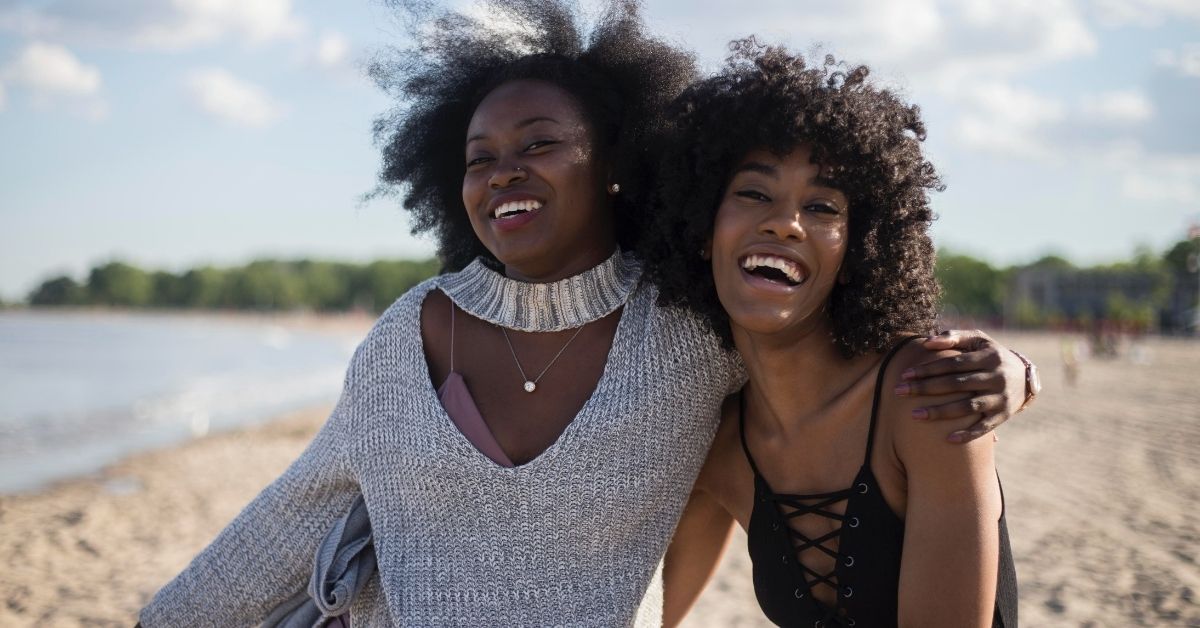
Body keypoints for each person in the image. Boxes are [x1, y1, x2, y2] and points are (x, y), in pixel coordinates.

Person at [139, 3, 1032, 626]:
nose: (504, 172)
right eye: (479, 157)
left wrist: (1017, 373)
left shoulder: (687, 328)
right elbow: (290, 518)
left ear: (615, 164)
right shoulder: (405, 338)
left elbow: (826, 344)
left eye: (539, 145)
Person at [643, 42, 1020, 627]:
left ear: (858, 250)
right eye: (753, 193)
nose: (785, 223)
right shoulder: (716, 444)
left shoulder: (926, 394)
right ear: (699, 227)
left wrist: (1021, 372)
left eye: (822, 207)